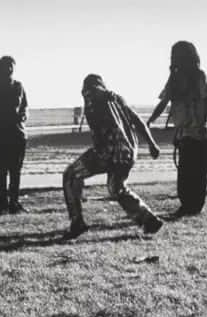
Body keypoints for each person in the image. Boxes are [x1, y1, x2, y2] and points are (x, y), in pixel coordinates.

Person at [62, 75, 163, 240]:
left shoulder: (94, 97)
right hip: (128, 153)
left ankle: (77, 222)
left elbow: (98, 96)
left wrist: (95, 95)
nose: (85, 94)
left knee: (70, 175)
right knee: (117, 188)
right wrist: (151, 143)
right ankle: (148, 219)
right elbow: (137, 120)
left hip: (107, 152)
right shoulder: (118, 99)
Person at [148, 41, 207, 217]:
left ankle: (194, 207)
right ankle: (186, 205)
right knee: (185, 172)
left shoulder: (200, 75)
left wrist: (204, 123)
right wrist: (151, 120)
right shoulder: (175, 77)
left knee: (198, 172)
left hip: (199, 131)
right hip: (184, 131)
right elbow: (164, 101)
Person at [0, 55, 29, 215]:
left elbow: (25, 107)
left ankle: (14, 203)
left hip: (17, 135)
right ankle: (3, 204)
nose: (10, 69)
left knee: (15, 171)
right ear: (0, 69)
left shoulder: (19, 86)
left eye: (12, 66)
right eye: (7, 66)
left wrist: (23, 116)